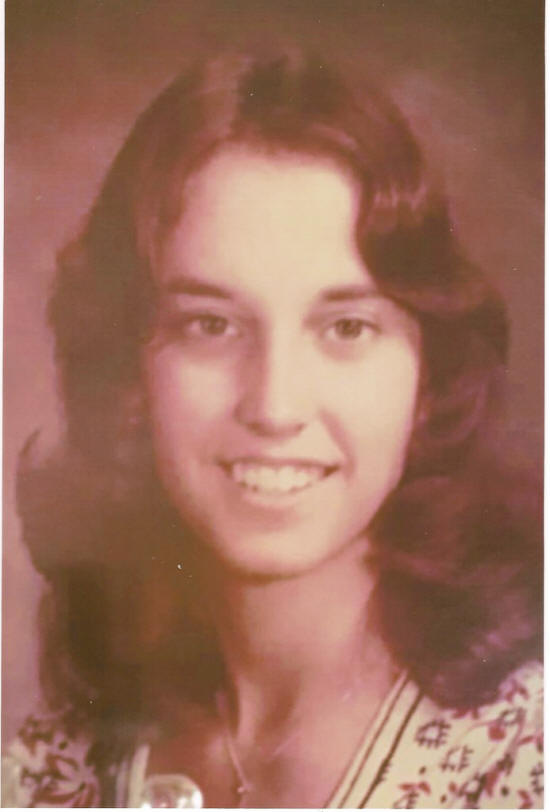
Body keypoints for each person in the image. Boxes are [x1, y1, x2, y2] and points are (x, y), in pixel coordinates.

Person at [3, 48, 542, 808]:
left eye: (347, 327)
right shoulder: (54, 766)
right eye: (211, 325)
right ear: (130, 373)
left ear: (431, 376)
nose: (275, 406)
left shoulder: (524, 762)